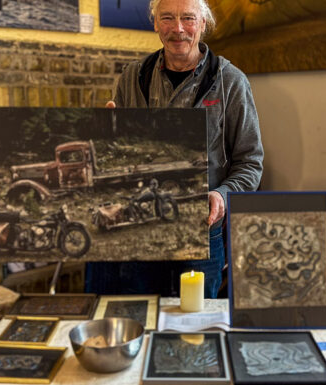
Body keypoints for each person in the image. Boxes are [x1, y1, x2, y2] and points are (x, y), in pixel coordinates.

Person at [85, 0, 264, 298]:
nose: (178, 28)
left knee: (195, 326)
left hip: (200, 231)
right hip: (139, 225)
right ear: (155, 23)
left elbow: (251, 162)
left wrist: (222, 196)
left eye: (188, 18)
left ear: (203, 24)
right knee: (139, 315)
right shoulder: (132, 77)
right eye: (167, 17)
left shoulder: (231, 82)